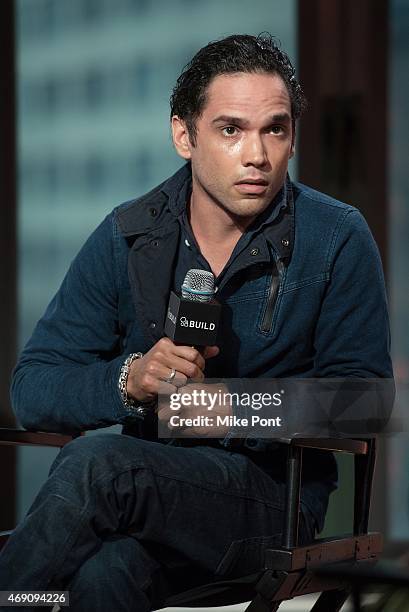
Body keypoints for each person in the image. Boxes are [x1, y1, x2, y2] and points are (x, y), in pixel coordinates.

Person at [0, 33, 392, 611]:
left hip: (274, 503)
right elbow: (32, 387)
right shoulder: (130, 234)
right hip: (148, 494)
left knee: (96, 462)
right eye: (231, 129)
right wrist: (129, 381)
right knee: (104, 576)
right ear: (184, 135)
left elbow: (366, 401)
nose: (256, 155)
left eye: (275, 130)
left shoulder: (335, 237)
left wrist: (218, 408)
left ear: (292, 138)